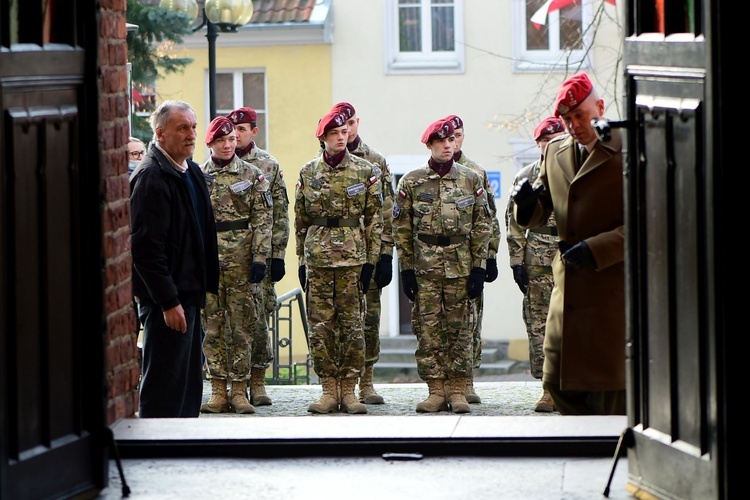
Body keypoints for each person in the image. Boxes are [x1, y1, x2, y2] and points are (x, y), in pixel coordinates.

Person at [511, 72, 625, 415]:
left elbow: (652, 223)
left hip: (612, 293)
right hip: (568, 295)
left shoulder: (630, 148)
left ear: (600, 107)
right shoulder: (556, 151)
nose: (573, 125)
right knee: (559, 385)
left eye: (580, 115)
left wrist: (596, 248)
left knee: (609, 397)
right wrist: (527, 204)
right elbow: (540, 210)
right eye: (566, 118)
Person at [392, 118, 492, 414]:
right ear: (430, 145)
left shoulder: (470, 179)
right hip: (426, 268)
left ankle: (459, 389)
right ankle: (436, 390)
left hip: (461, 265)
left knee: (462, 329)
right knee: (429, 330)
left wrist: (479, 267)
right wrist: (406, 268)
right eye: (441, 142)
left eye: (451, 141)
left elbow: (482, 224)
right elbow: (402, 229)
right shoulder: (411, 181)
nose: (448, 146)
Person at [129, 100, 219, 418]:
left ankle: (184, 450)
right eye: (182, 127)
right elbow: (145, 250)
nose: (191, 134)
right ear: (161, 133)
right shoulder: (152, 178)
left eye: (194, 126)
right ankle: (157, 454)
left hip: (190, 297)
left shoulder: (190, 171)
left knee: (188, 388)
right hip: (166, 305)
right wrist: (168, 301)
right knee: (164, 389)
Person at [294, 109, 383, 414]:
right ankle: (328, 390)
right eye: (335, 134)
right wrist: (301, 260)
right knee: (321, 327)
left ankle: (350, 389)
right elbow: (301, 219)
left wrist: (372, 260)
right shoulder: (309, 172)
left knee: (352, 326)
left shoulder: (364, 170)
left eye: (344, 132)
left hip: (352, 258)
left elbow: (374, 219)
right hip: (318, 258)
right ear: (323, 137)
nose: (341, 138)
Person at [199, 116, 273, 415]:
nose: (228, 145)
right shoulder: (199, 175)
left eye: (231, 140)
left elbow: (263, 219)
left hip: (243, 260)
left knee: (242, 326)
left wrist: (260, 259)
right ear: (211, 144)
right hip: (210, 259)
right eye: (221, 141)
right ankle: (218, 389)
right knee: (213, 326)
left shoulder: (253, 174)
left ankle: (240, 390)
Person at [332, 101, 394, 405]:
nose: (348, 130)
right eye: (342, 125)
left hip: (367, 253)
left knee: (368, 320)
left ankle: (366, 382)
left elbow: (386, 211)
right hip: (333, 256)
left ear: (358, 123)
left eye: (352, 123)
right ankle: (338, 385)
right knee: (337, 321)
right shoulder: (324, 159)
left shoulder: (375, 161)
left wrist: (385, 256)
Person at [227, 106, 290, 406]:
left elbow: (279, 212)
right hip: (227, 259)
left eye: (242, 129)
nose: (236, 135)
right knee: (228, 323)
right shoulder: (217, 163)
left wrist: (277, 255)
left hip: (258, 256)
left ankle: (258, 381)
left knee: (258, 321)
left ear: (254, 131)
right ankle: (230, 383)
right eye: (232, 129)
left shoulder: (268, 164)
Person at [504, 116, 566, 413]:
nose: (550, 145)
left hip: (570, 257)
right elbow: (514, 223)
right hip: (538, 261)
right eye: (545, 140)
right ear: (538, 144)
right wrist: (517, 262)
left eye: (557, 139)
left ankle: (574, 387)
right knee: (539, 327)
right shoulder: (526, 177)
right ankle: (547, 389)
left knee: (574, 326)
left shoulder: (573, 172)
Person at [443, 114, 501, 404]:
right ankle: (443, 384)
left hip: (469, 259)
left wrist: (490, 256)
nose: (453, 142)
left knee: (470, 323)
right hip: (440, 262)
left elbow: (489, 217)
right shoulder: (431, 171)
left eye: (458, 135)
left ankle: (466, 381)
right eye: (448, 137)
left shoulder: (475, 171)